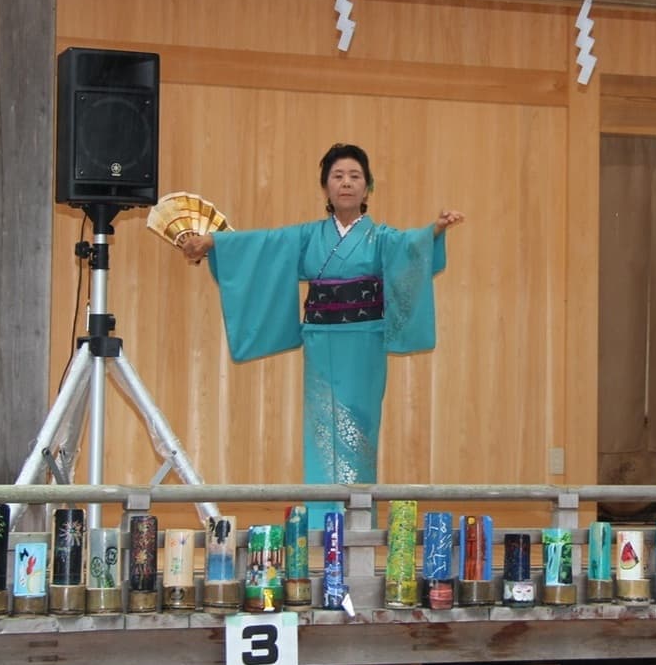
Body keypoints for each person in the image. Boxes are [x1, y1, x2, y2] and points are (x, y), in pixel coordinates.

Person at [180, 143, 463, 517]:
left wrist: (436, 230)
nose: (346, 183)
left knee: (358, 430)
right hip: (321, 341)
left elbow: (412, 246)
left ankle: (356, 519)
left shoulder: (381, 238)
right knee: (321, 431)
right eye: (337, 176)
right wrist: (214, 241)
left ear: (368, 187)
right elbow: (264, 244)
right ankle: (320, 521)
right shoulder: (307, 236)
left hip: (365, 342)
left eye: (355, 176)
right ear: (326, 187)